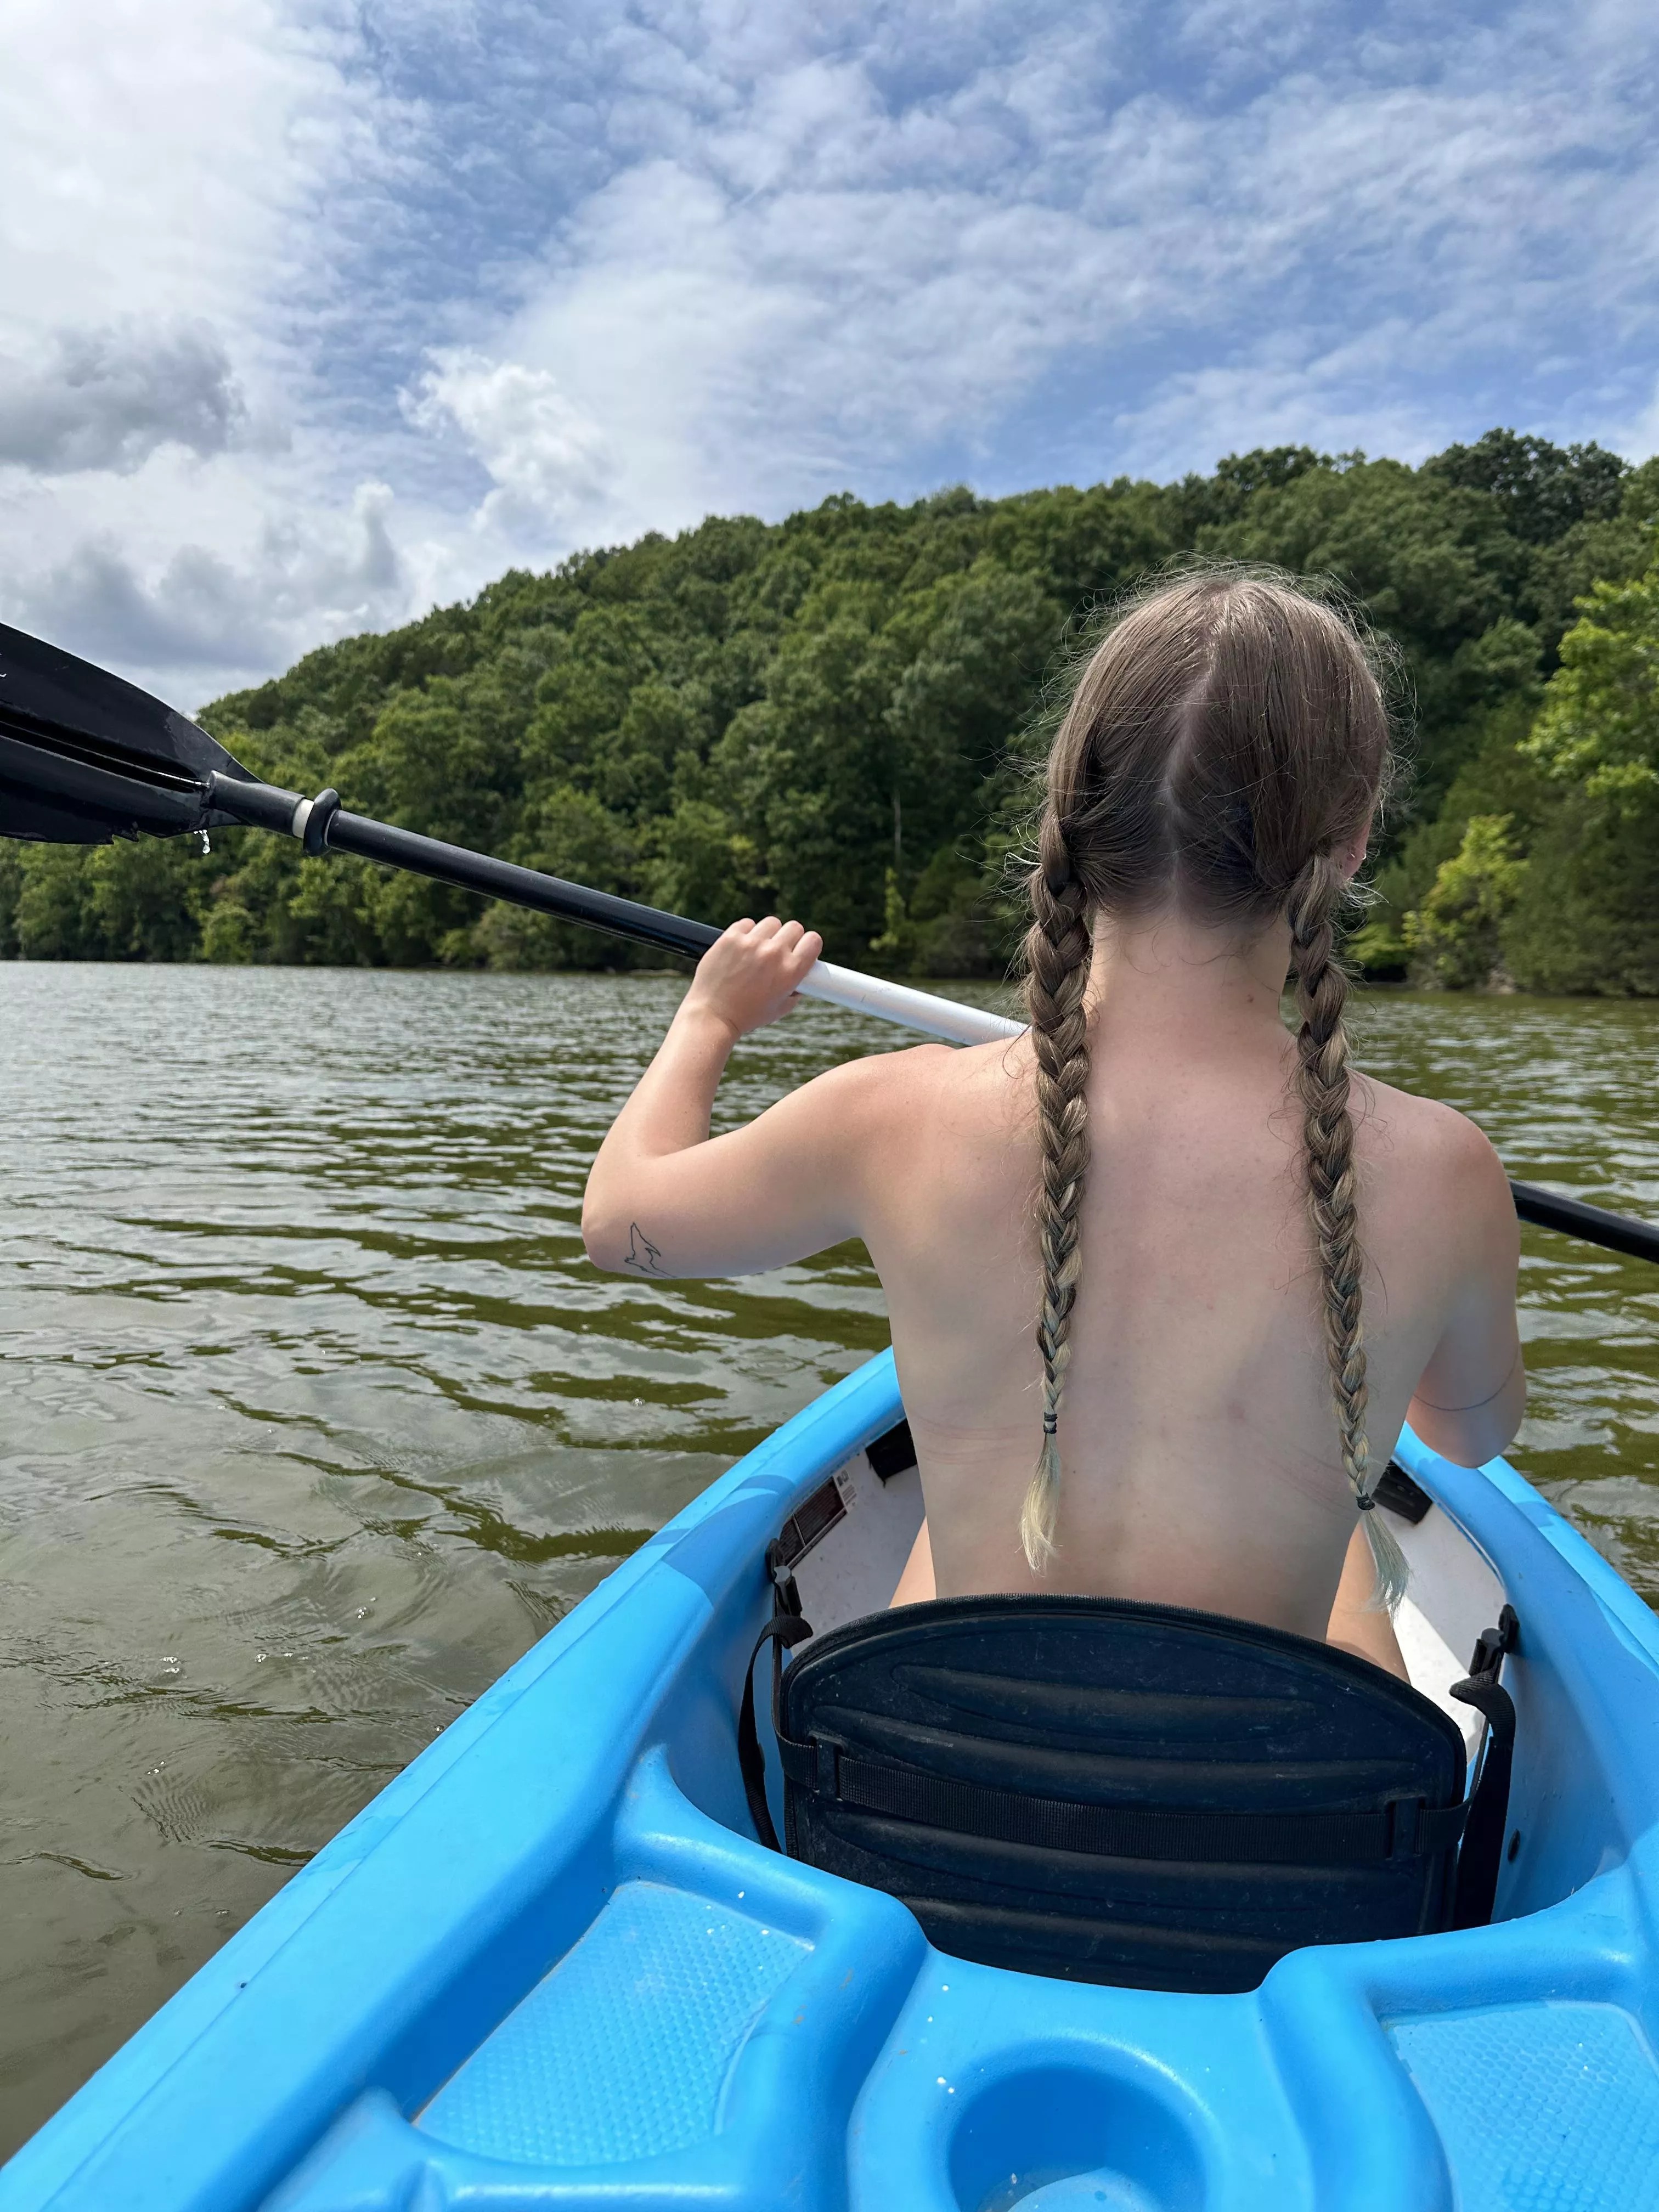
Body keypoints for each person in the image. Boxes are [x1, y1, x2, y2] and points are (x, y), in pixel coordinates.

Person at [582, 569, 1524, 1680]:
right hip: (1271, 1820)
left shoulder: (892, 1115)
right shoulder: (1447, 1171)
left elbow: (619, 1221)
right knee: (1355, 1546)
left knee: (958, 1520)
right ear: (1353, 841)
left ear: (1071, 822)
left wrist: (709, 1016)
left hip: (947, 1805)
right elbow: (1468, 1437)